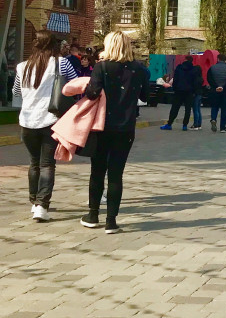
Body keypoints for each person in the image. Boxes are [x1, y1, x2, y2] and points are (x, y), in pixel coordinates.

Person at [80, 31, 149, 234]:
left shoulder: (101, 67)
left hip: (101, 126)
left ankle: (93, 215)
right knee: (116, 174)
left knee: (97, 171)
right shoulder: (140, 69)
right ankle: (111, 221)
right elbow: (145, 96)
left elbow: (92, 93)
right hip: (126, 127)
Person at [13, 33, 78, 222]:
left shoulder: (21, 66)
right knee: (47, 164)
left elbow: (16, 91)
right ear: (53, 45)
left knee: (34, 163)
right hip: (51, 119)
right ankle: (42, 205)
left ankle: (34, 202)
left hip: (27, 120)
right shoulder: (62, 63)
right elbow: (74, 85)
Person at [160, 55, 199, 131]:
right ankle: (184, 125)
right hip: (189, 91)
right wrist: (194, 91)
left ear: (185, 60)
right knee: (188, 109)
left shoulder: (179, 67)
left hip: (179, 91)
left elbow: (176, 79)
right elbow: (195, 82)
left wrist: (175, 89)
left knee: (175, 108)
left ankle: (169, 124)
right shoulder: (194, 69)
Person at [206, 53, 226, 133]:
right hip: (225, 92)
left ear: (218, 59)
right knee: (224, 110)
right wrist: (223, 87)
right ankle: (222, 127)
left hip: (214, 91)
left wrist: (216, 87)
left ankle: (213, 119)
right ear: (225, 59)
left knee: (214, 107)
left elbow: (209, 79)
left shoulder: (212, 68)